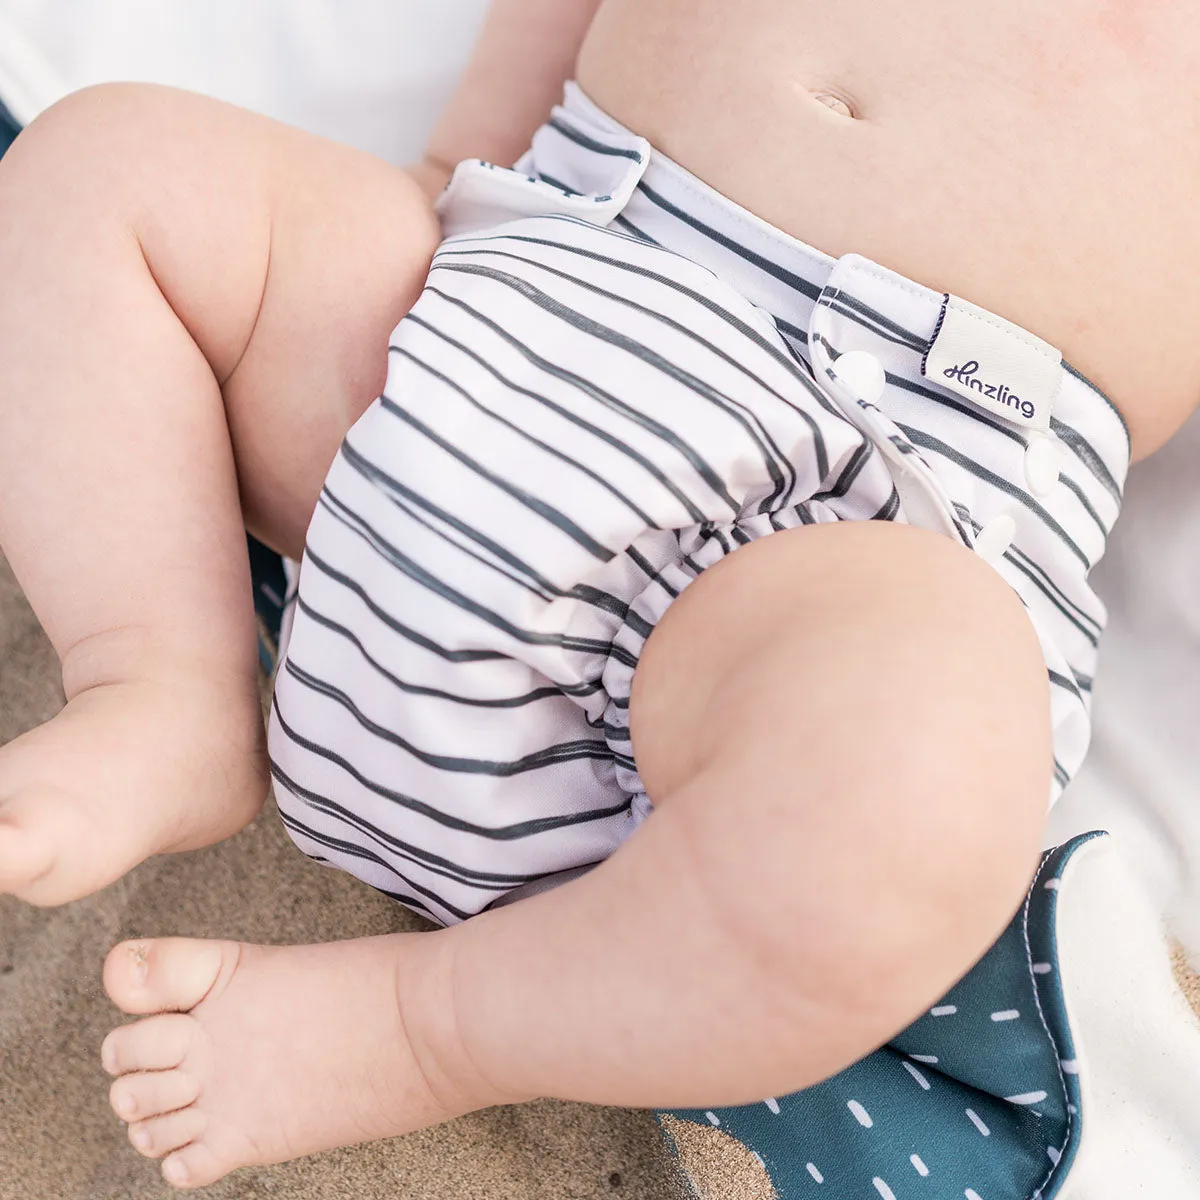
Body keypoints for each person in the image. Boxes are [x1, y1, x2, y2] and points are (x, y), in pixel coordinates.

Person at [0, 0, 1190, 1189]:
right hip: (500, 313)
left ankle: (425, 1027)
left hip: (860, 501)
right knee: (104, 170)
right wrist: (435, 185)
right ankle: (161, 678)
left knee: (923, 745)